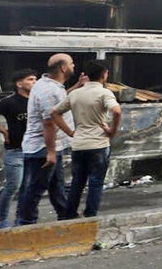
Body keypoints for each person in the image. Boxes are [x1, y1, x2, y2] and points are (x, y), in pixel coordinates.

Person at [51, 61, 122, 218]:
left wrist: (70, 131)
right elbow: (117, 111)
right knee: (95, 184)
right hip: (98, 144)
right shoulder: (104, 93)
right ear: (104, 74)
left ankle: (69, 215)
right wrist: (112, 130)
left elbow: (55, 113)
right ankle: (90, 215)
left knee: (77, 182)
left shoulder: (75, 94)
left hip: (78, 144)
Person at [17, 54, 78, 226]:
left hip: (52, 145)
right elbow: (49, 123)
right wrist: (50, 152)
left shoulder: (48, 85)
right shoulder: (49, 90)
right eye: (71, 64)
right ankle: (26, 222)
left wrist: (77, 86)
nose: (74, 66)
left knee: (56, 186)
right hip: (43, 147)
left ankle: (66, 215)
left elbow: (60, 100)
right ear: (63, 68)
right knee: (36, 188)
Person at [0, 69, 36, 230]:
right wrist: (2, 130)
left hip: (33, 150)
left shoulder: (36, 100)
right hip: (15, 150)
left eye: (35, 79)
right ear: (19, 83)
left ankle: (20, 218)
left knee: (27, 187)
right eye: (30, 79)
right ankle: (0, 219)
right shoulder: (10, 102)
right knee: (13, 186)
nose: (34, 82)